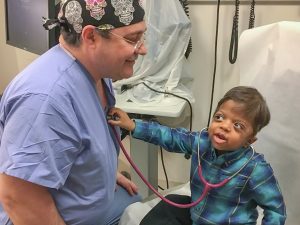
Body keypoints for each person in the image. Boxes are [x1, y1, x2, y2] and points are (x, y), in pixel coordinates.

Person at [0, 0, 146, 225]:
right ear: (91, 37)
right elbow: (18, 198)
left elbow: (81, 142)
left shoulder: (97, 72)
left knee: (135, 200)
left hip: (90, 202)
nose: (143, 49)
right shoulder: (46, 99)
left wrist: (102, 175)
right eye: (133, 40)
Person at [108, 86, 287, 225]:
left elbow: (276, 210)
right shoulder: (201, 142)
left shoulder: (256, 169)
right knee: (171, 203)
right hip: (197, 218)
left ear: (250, 141)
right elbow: (171, 137)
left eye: (238, 125)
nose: (224, 126)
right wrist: (132, 125)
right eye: (220, 117)